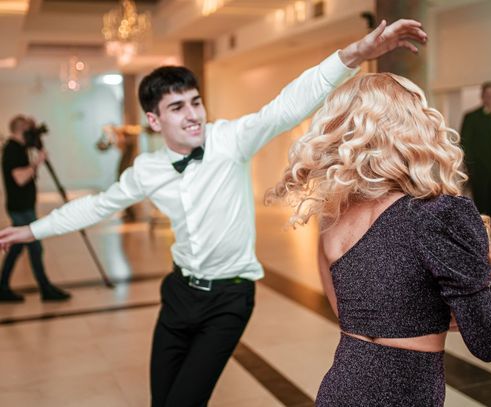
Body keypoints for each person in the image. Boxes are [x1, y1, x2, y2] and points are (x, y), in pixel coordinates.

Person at [0, 19, 428, 406]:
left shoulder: (229, 141)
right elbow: (98, 205)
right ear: (154, 120)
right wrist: (32, 230)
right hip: (178, 294)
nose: (192, 116)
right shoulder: (146, 169)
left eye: (195, 102)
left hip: (229, 299)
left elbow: (288, 105)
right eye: (177, 108)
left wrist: (355, 54)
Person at [266, 73, 491, 406]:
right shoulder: (440, 213)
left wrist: (437, 311)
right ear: (415, 128)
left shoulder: (332, 216)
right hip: (405, 396)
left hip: (341, 389)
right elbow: (488, 342)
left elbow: (363, 314)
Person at [0, 115, 71, 302]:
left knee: (17, 248)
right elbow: (20, 178)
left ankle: (3, 286)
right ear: (21, 130)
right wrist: (38, 161)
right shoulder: (12, 150)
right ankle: (45, 288)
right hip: (20, 208)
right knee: (35, 247)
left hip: (23, 206)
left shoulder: (19, 148)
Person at [461, 81, 491, 218]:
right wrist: (470, 167)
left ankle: (490, 230)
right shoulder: (471, 117)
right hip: (479, 170)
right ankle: (481, 231)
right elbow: (465, 143)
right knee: (480, 206)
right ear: (482, 96)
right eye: (487, 94)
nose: (490, 97)